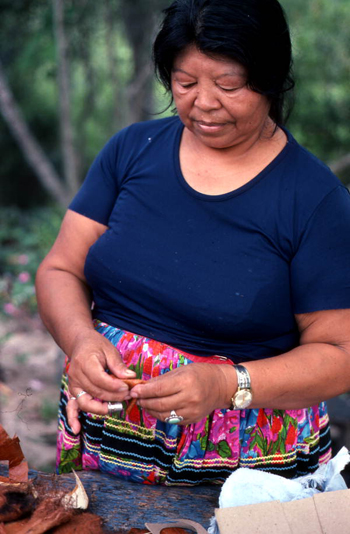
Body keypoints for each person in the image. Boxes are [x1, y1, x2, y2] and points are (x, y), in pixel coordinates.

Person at [36, 0, 350, 486]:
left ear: (270, 77)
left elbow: (339, 352)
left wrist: (228, 384)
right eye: (185, 83)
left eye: (228, 85)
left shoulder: (314, 200)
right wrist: (81, 340)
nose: (203, 103)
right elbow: (60, 269)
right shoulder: (132, 150)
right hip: (108, 436)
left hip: (241, 471)